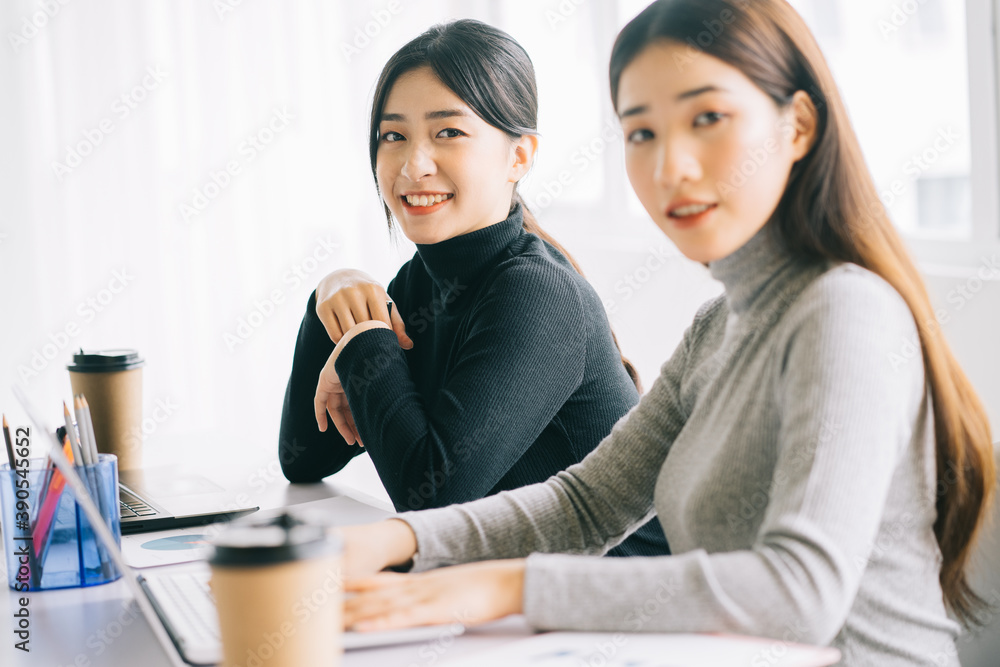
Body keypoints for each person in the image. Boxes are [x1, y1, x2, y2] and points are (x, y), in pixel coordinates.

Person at [336, 1, 997, 664]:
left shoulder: (843, 311)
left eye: (706, 118)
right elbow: (586, 504)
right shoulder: (720, 325)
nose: (668, 165)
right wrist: (399, 539)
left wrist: (509, 586)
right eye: (641, 132)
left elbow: (800, 589)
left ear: (796, 126)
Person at [278, 19, 669, 557]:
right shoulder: (419, 283)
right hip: (506, 602)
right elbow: (303, 459)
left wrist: (365, 340)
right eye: (393, 136)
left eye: (448, 132)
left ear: (520, 156)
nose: (413, 165)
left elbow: (431, 505)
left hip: (619, 616)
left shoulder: (537, 293)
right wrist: (334, 291)